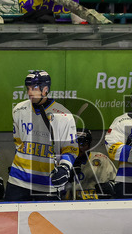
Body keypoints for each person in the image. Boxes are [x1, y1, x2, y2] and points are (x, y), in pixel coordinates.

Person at [6, 70, 79, 201]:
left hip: (49, 183)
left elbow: (71, 148)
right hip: (18, 181)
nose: (29, 93)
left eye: (33, 88)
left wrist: (64, 167)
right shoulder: (18, 109)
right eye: (28, 88)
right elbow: (18, 141)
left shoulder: (64, 115)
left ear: (45, 89)